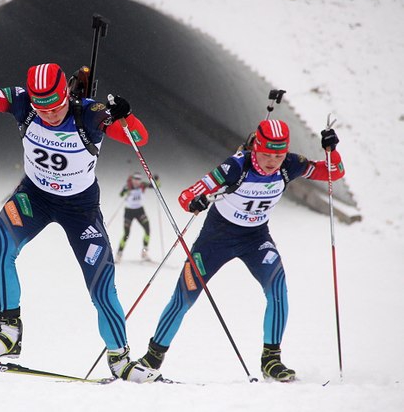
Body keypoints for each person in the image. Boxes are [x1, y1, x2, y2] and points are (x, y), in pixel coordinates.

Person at [0, 35, 161, 383]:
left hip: (79, 209)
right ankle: (9, 333)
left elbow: (139, 139)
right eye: (42, 107)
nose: (49, 114)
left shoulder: (91, 114)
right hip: (34, 198)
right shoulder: (22, 102)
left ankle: (120, 358)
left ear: (66, 94)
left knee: (100, 283)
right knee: (0, 245)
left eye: (55, 106)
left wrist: (126, 116)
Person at [138, 119, 344, 382]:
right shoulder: (236, 166)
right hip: (216, 239)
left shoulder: (291, 164)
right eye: (266, 154)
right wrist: (196, 201)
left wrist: (331, 150)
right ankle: (152, 357)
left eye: (278, 155)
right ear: (255, 148)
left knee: (278, 288)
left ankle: (271, 360)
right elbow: (186, 196)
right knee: (184, 297)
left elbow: (332, 173)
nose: (272, 161)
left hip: (256, 239)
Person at [115, 172, 158, 263]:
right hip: (129, 212)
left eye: (139, 180)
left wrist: (156, 180)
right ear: (132, 179)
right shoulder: (128, 186)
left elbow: (155, 186)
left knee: (147, 229)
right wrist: (126, 190)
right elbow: (121, 195)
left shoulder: (142, 185)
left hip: (139, 211)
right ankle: (119, 254)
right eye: (135, 179)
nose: (137, 182)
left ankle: (144, 253)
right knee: (126, 234)